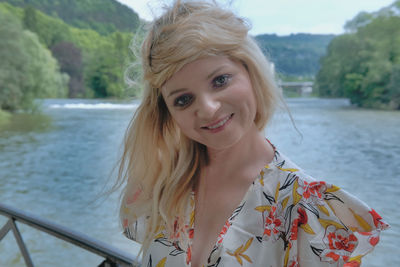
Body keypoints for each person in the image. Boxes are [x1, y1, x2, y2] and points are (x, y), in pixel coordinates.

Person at [118, 1, 388, 266]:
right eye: (183, 99)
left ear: (251, 72)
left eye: (220, 80)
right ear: (167, 112)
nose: (209, 109)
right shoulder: (158, 187)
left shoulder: (303, 210)